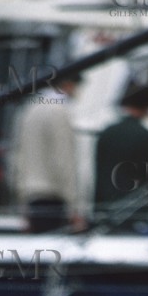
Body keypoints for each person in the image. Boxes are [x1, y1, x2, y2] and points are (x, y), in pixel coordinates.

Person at [10, 78, 86, 233]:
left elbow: (18, 158)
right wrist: (74, 206)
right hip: (53, 196)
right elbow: (63, 161)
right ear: (68, 84)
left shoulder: (30, 108)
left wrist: (22, 203)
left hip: (31, 196)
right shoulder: (59, 111)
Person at [93, 82, 148, 230]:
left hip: (105, 206)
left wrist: (96, 208)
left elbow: (98, 173)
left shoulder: (106, 133)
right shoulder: (147, 136)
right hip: (135, 211)